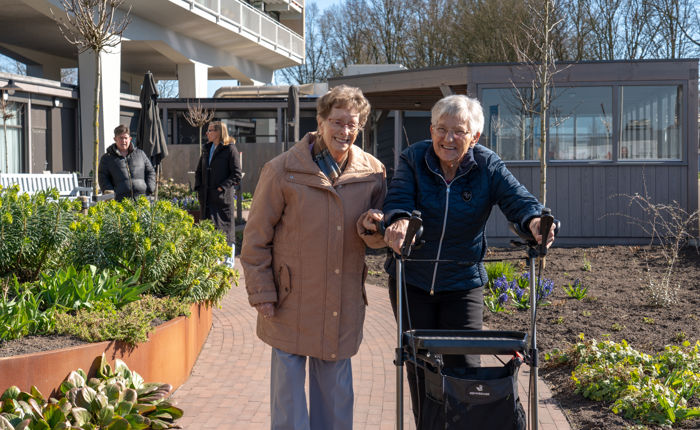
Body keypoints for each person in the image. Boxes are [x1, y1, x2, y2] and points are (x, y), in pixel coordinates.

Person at [381, 94, 556, 427]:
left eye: (458, 131)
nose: (448, 138)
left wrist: (535, 222)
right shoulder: (414, 158)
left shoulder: (487, 165)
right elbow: (399, 198)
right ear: (431, 130)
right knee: (420, 370)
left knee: (464, 371)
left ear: (474, 137)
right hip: (412, 280)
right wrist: (400, 221)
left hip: (463, 284)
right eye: (441, 129)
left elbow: (519, 201)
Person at [240, 85, 386, 430]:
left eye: (352, 124)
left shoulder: (373, 173)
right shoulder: (282, 170)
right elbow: (256, 238)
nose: (344, 131)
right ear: (320, 122)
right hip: (288, 301)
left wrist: (372, 228)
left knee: (336, 402)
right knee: (289, 405)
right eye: (337, 122)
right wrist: (262, 292)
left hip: (341, 302)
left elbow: (378, 238)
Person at [194, 121, 242, 264]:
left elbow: (236, 174)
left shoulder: (230, 149)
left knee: (225, 232)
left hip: (222, 200)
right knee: (208, 232)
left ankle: (227, 265)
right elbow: (199, 171)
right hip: (207, 199)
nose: (207, 133)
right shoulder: (206, 149)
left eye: (210, 130)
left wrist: (222, 187)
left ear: (219, 132)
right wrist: (199, 188)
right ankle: (211, 264)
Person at [98, 124, 156, 201]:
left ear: (130, 139)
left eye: (126, 138)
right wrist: (110, 195)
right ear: (115, 139)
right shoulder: (107, 158)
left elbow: (150, 171)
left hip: (143, 199)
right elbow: (103, 178)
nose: (123, 141)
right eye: (121, 138)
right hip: (120, 201)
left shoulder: (141, 154)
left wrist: (150, 188)